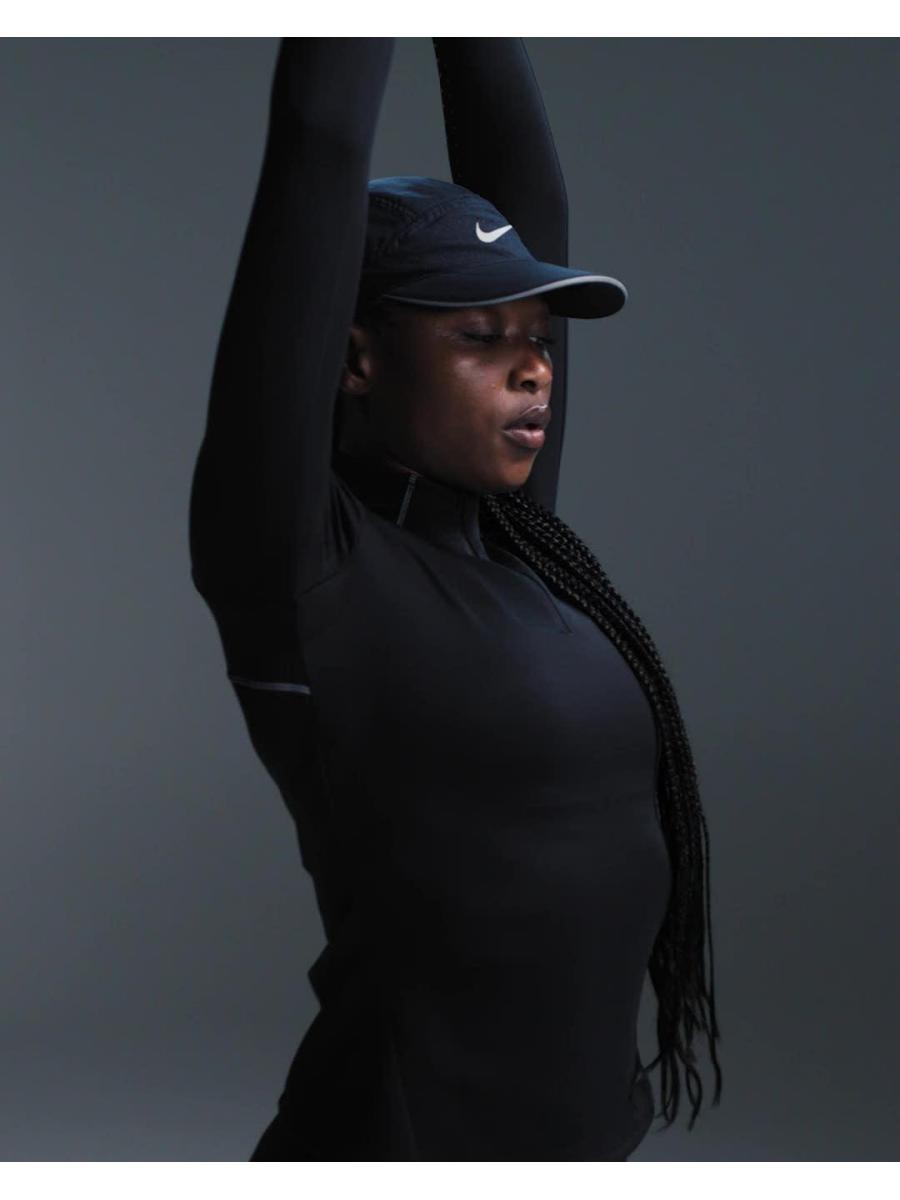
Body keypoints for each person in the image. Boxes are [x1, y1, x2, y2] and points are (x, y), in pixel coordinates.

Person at [188, 37, 723, 1162]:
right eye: (480, 337)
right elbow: (319, 146)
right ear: (354, 359)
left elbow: (531, 194)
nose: (535, 369)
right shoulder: (304, 565)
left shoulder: (516, 543)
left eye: (539, 339)